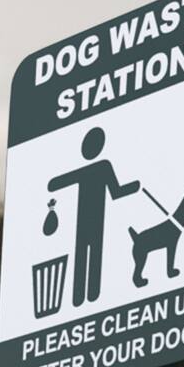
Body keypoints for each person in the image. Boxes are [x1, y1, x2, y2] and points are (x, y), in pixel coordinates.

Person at [48, 124, 139, 307]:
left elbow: (116, 192)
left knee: (91, 254)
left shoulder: (103, 167)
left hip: (95, 219)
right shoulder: (95, 168)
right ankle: (80, 297)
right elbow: (54, 184)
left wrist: (133, 187)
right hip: (85, 220)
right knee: (85, 254)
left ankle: (89, 296)